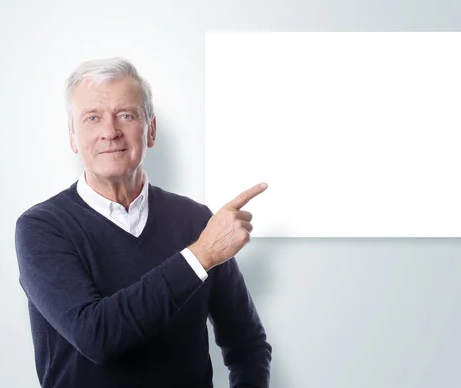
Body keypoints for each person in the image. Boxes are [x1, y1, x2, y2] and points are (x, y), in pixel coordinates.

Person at [14, 57, 272, 388]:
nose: (110, 132)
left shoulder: (196, 221)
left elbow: (248, 343)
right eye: (92, 118)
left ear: (150, 130)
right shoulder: (42, 228)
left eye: (126, 115)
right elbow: (97, 337)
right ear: (73, 138)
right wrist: (200, 256)